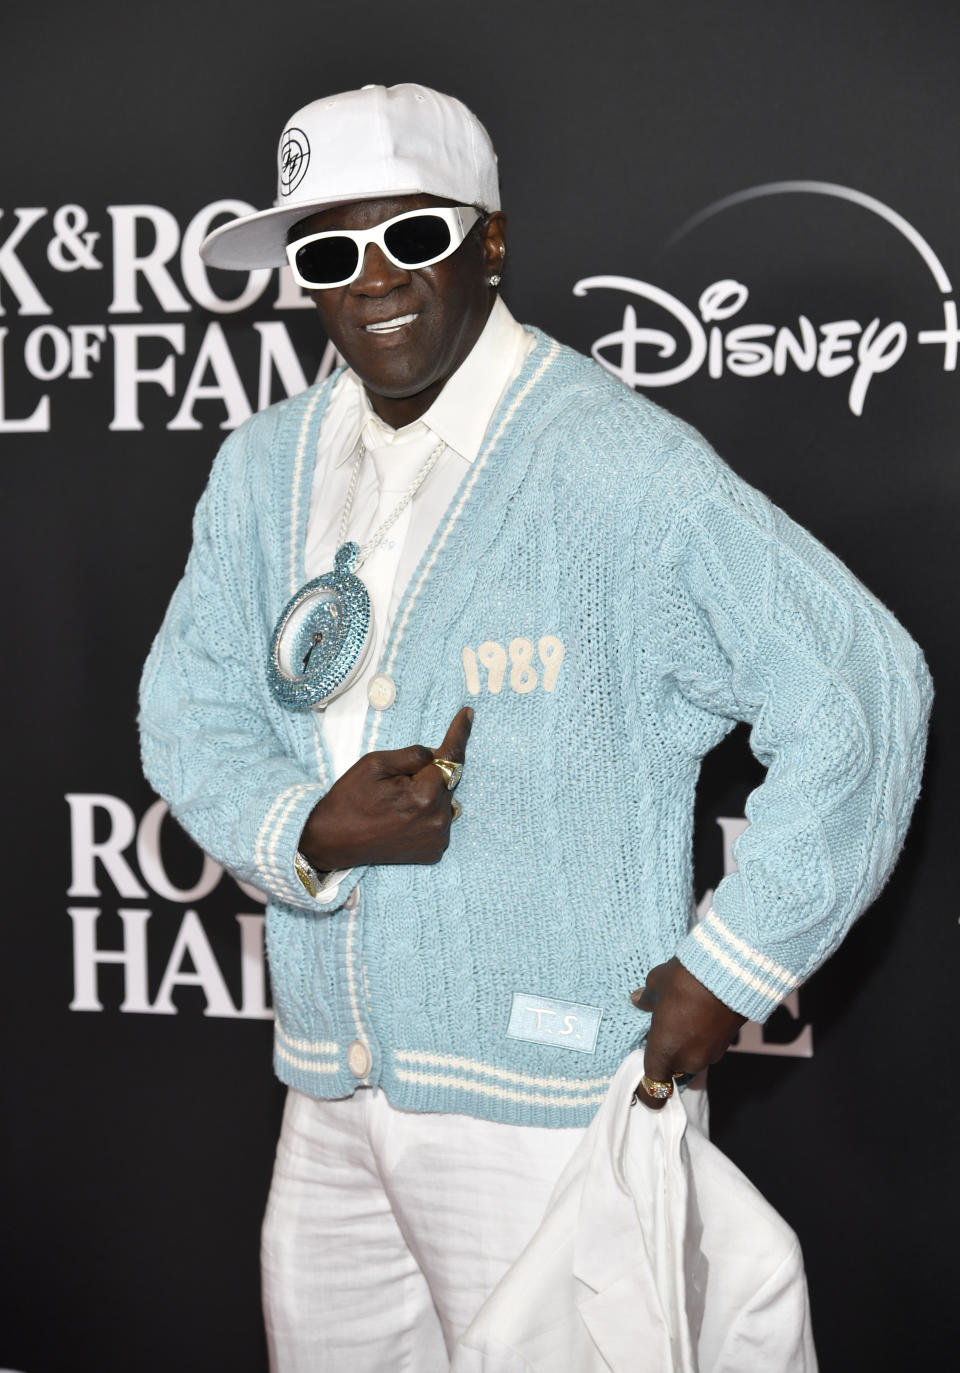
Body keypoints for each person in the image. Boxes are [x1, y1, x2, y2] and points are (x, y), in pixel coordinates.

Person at [139, 83, 931, 1369]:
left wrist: (731, 963)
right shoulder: (265, 464)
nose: (372, 281)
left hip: (548, 1105)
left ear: (488, 241)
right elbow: (189, 706)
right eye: (329, 252)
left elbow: (863, 689)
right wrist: (306, 830)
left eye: (412, 237)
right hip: (329, 1095)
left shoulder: (618, 469)